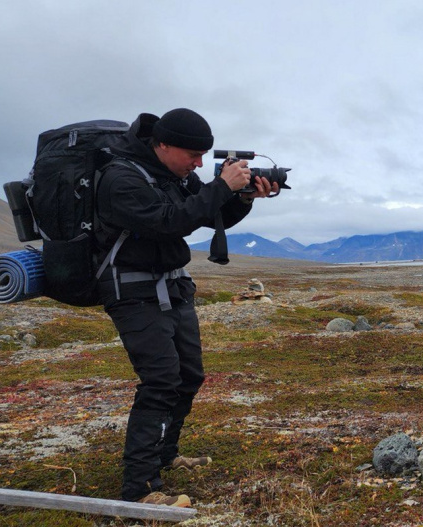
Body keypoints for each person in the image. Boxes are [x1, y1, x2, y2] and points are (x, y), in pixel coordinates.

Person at [95, 108, 277, 507]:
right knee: (161, 381)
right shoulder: (121, 178)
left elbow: (210, 213)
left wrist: (244, 195)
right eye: (192, 155)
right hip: (133, 291)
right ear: (162, 144)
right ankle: (140, 490)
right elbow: (169, 221)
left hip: (174, 287)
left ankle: (165, 454)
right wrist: (221, 185)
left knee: (188, 376)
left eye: (202, 157)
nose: (197, 164)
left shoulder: (174, 174)